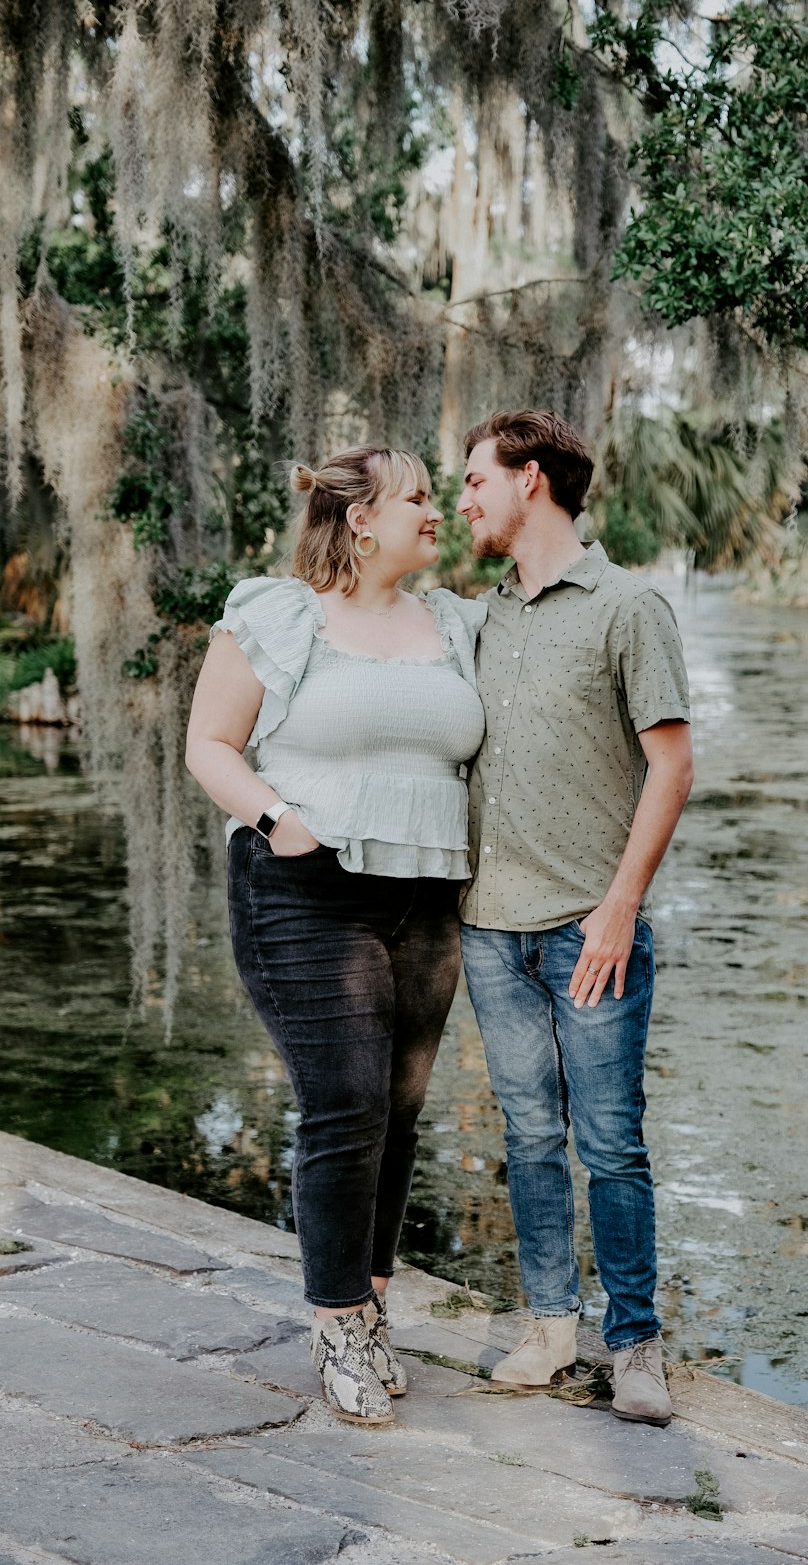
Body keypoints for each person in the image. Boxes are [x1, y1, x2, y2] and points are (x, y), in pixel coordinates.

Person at [185, 446, 485, 1426]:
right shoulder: (281, 613)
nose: (436, 514)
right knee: (346, 1099)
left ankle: (375, 1304)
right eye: (420, 499)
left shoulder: (451, 623)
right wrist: (283, 825)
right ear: (362, 520)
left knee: (397, 1110)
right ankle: (337, 1323)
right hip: (307, 892)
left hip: (427, 897)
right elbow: (209, 745)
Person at [455, 410, 693, 1428]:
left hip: (590, 930)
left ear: (532, 480)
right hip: (488, 927)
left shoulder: (628, 607)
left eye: (475, 480)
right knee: (529, 1131)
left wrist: (619, 909)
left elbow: (674, 766)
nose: (464, 499)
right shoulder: (479, 619)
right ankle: (551, 1328)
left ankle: (634, 1344)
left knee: (611, 1141)